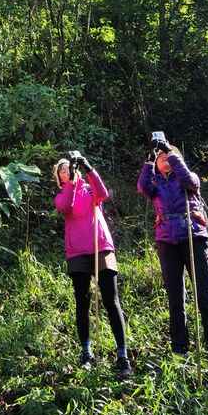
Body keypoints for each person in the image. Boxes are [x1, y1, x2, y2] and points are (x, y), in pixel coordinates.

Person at [137, 135, 208, 370]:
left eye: (166, 157)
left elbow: (190, 181)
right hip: (167, 241)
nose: (163, 159)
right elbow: (142, 186)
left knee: (204, 294)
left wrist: (170, 152)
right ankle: (179, 350)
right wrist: (149, 160)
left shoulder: (187, 178)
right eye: (160, 158)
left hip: (193, 237)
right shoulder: (155, 185)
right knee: (175, 298)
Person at [54, 154, 132, 376]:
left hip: (101, 247)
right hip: (78, 253)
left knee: (111, 299)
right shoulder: (61, 196)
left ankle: (123, 355)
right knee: (83, 301)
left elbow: (103, 194)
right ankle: (87, 352)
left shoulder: (89, 189)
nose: (66, 171)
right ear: (59, 178)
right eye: (62, 170)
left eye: (68, 169)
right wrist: (71, 183)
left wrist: (88, 168)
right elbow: (67, 205)